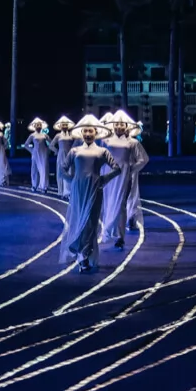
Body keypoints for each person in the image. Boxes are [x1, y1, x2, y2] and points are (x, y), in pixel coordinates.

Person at [59, 114, 121, 273]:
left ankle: (84, 255)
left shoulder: (102, 151)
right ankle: (82, 256)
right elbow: (62, 169)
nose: (87, 134)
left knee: (91, 223)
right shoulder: (74, 151)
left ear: (96, 133)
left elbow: (117, 169)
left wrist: (103, 179)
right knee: (79, 220)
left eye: (91, 131)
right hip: (78, 190)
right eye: (85, 131)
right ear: (81, 133)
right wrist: (72, 180)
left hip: (95, 190)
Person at [101, 110, 149, 249]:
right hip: (109, 175)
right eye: (117, 124)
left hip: (124, 177)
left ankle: (120, 237)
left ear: (126, 126)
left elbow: (144, 159)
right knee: (109, 202)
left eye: (122, 124)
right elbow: (102, 158)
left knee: (121, 205)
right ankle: (109, 229)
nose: (119, 127)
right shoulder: (106, 141)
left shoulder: (132, 142)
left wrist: (130, 169)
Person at [49, 115, 75, 199]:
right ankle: (61, 191)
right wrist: (57, 151)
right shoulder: (58, 136)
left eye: (66, 125)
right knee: (61, 172)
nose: (65, 126)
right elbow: (51, 145)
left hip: (69, 154)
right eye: (63, 125)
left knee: (70, 172)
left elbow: (74, 145)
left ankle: (68, 192)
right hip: (61, 155)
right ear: (60, 126)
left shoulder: (71, 135)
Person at [24, 117, 51, 193]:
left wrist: (48, 150)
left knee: (44, 170)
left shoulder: (45, 135)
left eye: (40, 125)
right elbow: (26, 144)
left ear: (41, 126)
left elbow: (51, 143)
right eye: (37, 125)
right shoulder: (32, 135)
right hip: (35, 153)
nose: (38, 126)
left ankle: (43, 187)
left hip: (43, 153)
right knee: (34, 170)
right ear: (34, 126)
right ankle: (34, 185)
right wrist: (32, 151)